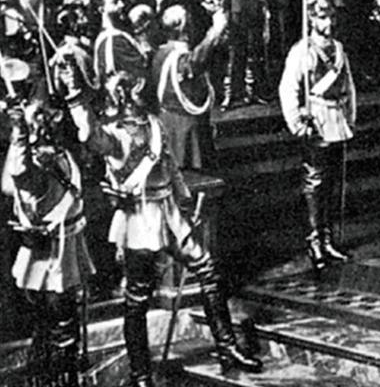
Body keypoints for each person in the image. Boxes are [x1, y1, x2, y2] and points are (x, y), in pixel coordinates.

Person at [65, 71, 262, 386]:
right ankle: (140, 374)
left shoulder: (155, 124)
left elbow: (170, 166)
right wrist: (75, 96)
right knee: (137, 299)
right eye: (133, 89)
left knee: (208, 270)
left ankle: (227, 349)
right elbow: (88, 134)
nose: (141, 91)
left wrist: (184, 204)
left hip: (169, 214)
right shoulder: (113, 134)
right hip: (140, 221)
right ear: (122, 96)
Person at [3, 95, 94, 386]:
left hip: (67, 246)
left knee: (59, 321)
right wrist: (19, 135)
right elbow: (15, 176)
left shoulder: (60, 154)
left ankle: (59, 376)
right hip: (48, 253)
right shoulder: (36, 161)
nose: (50, 123)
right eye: (42, 119)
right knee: (55, 322)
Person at [278, 0, 356, 271]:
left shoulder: (339, 49)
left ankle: (328, 239)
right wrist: (297, 122)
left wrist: (350, 118)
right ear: (311, 19)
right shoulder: (302, 51)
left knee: (332, 182)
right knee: (315, 183)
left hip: (337, 120)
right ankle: (314, 241)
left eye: (331, 17)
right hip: (317, 120)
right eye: (322, 17)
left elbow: (348, 86)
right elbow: (288, 88)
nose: (329, 23)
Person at [152, 4, 229, 176]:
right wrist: (215, 31)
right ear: (183, 27)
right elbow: (196, 61)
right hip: (185, 127)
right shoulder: (179, 57)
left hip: (169, 121)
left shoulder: (161, 52)